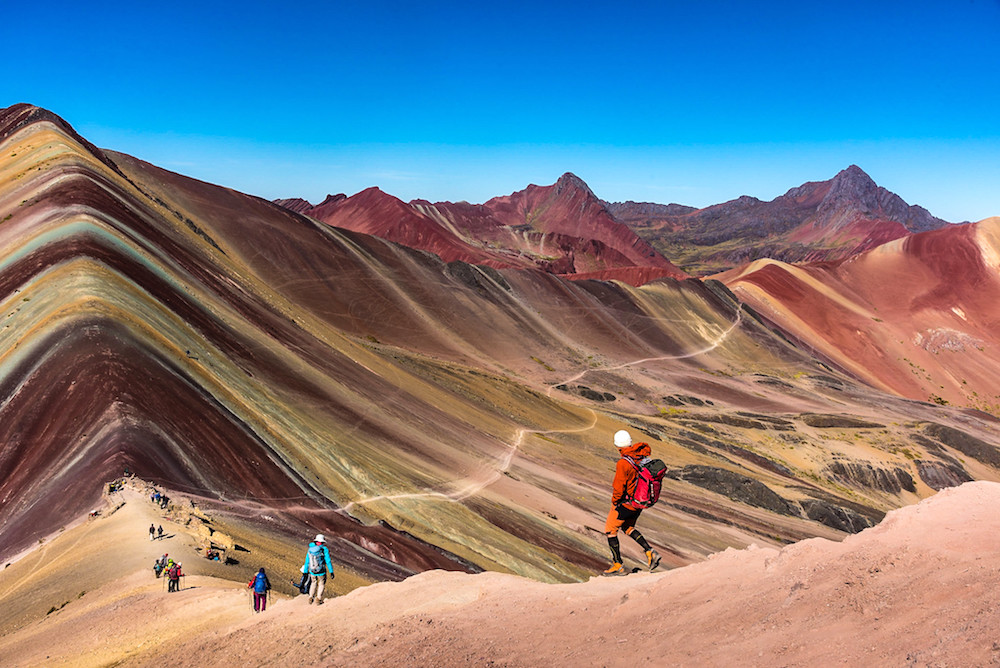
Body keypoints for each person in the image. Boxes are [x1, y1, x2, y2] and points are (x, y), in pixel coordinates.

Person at [603, 430, 661, 576]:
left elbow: (619, 486)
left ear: (618, 446)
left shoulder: (623, 463)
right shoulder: (641, 457)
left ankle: (618, 565)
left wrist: (615, 502)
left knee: (610, 530)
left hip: (625, 503)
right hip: (639, 502)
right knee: (628, 527)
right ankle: (650, 552)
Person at [301, 534, 334, 604]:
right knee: (321, 583)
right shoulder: (324, 549)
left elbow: (307, 561)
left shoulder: (310, 549)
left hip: (312, 570)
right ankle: (318, 598)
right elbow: (328, 561)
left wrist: (305, 571)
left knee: (313, 583)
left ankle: (311, 597)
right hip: (321, 570)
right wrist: (331, 571)